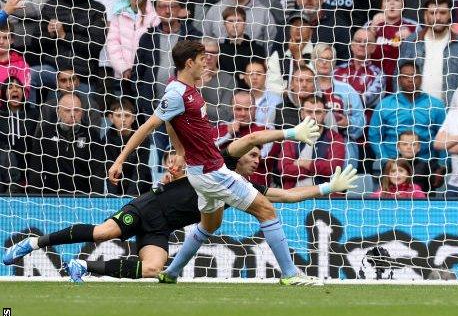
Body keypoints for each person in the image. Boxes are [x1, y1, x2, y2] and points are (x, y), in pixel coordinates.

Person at [3, 120, 358, 281]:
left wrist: (328, 187)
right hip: (148, 207)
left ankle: (84, 268)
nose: (255, 159)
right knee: (102, 234)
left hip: (163, 227)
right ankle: (34, 242)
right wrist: (291, 132)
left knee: (153, 269)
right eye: (254, 156)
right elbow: (252, 137)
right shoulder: (223, 160)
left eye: (258, 158)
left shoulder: (237, 187)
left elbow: (290, 196)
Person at [105, 39, 321, 286]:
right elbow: (147, 126)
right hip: (211, 172)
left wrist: (181, 151)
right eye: (201, 60)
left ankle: (171, 272)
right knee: (266, 210)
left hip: (202, 172)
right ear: (189, 63)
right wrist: (119, 160)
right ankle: (290, 274)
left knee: (210, 224)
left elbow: (172, 123)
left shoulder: (191, 90)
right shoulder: (176, 94)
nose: (205, 64)